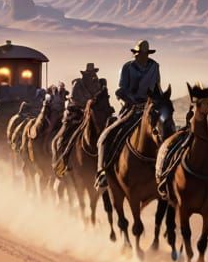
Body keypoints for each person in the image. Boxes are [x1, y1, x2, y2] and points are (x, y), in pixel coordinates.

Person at [95, 40, 162, 187]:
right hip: (131, 108)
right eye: (139, 54)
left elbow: (158, 88)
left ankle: (168, 171)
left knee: (167, 131)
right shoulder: (127, 68)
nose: (142, 57)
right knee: (107, 135)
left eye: (144, 54)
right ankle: (103, 171)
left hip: (151, 108)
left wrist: (159, 102)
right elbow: (121, 90)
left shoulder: (154, 67)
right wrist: (130, 101)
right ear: (135, 54)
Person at [54, 63, 107, 174]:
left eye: (93, 73)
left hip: (93, 113)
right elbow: (74, 99)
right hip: (76, 113)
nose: (91, 75)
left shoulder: (97, 84)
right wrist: (85, 107)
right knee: (66, 135)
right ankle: (63, 160)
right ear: (85, 74)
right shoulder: (78, 84)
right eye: (89, 73)